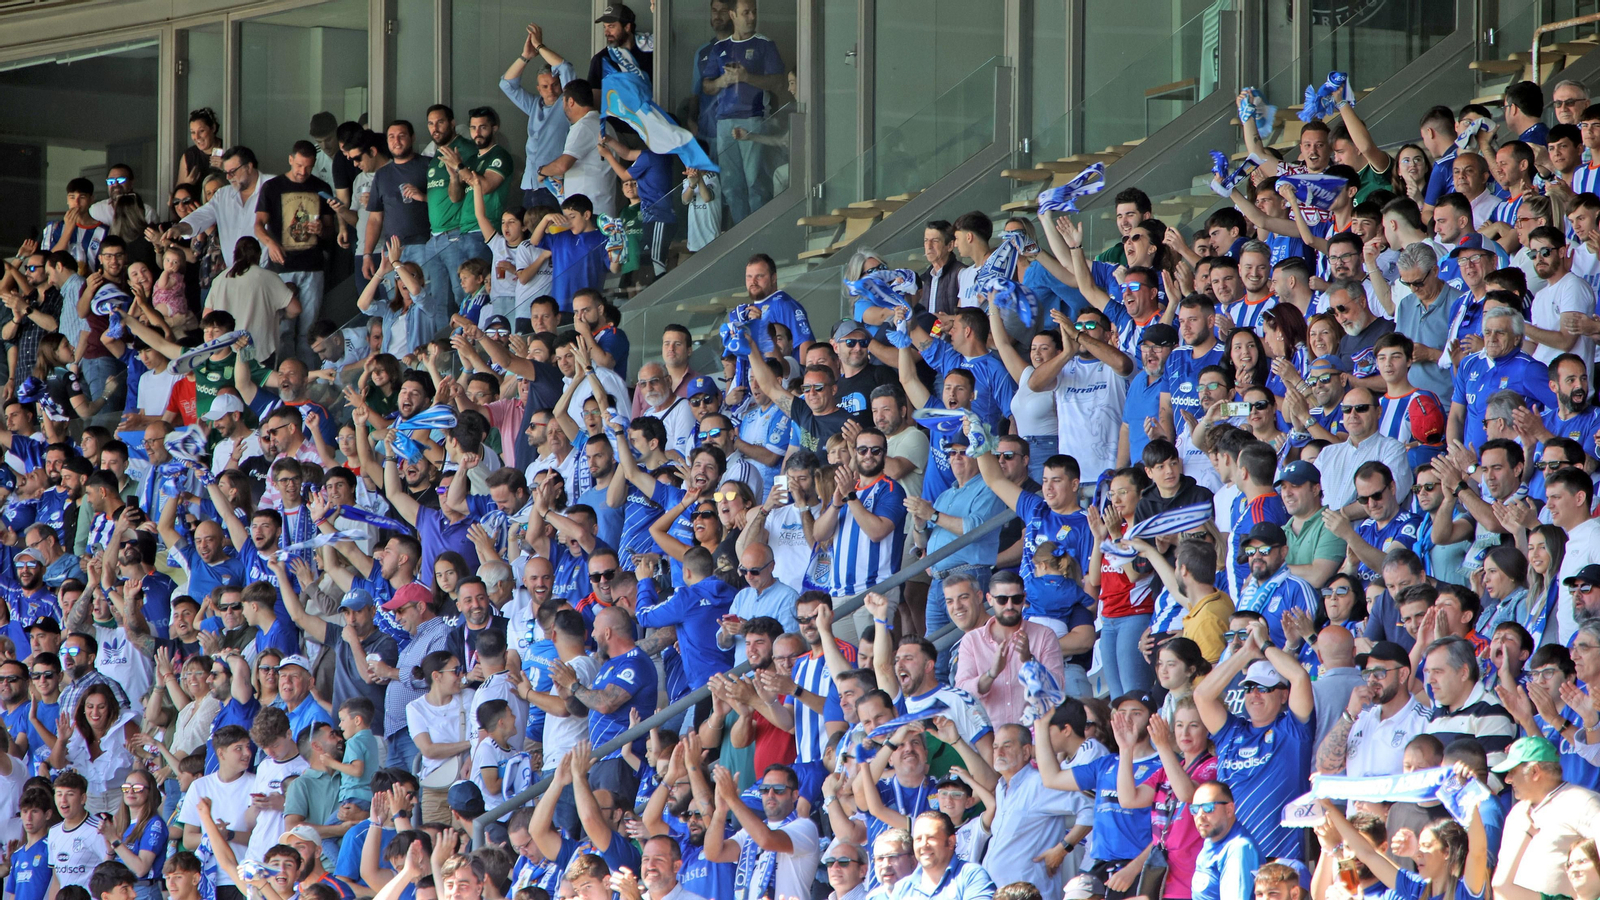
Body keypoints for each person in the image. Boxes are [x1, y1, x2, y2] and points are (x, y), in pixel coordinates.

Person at [1193, 624, 1314, 860]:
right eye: (1249, 687)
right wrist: (1246, 652)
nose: (1254, 694)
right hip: (1230, 854)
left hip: (1279, 857)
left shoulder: (1292, 730)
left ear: (1283, 695)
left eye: (1264, 688)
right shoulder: (1231, 730)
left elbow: (1299, 677)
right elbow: (1202, 695)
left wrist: (1265, 644)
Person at [702, 764, 821, 900]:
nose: (770, 795)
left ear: (794, 796)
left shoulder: (804, 827)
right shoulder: (750, 832)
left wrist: (733, 799)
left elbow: (766, 840)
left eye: (778, 789)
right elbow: (713, 853)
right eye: (764, 789)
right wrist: (720, 811)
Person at [889, 811, 995, 900]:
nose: (924, 845)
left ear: (950, 842)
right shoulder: (902, 887)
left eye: (931, 838)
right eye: (918, 839)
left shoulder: (972, 876)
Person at [1189, 781, 1259, 900]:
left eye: (1208, 808)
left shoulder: (1238, 849)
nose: (1200, 815)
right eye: (1195, 809)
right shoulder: (1211, 840)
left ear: (1229, 810)